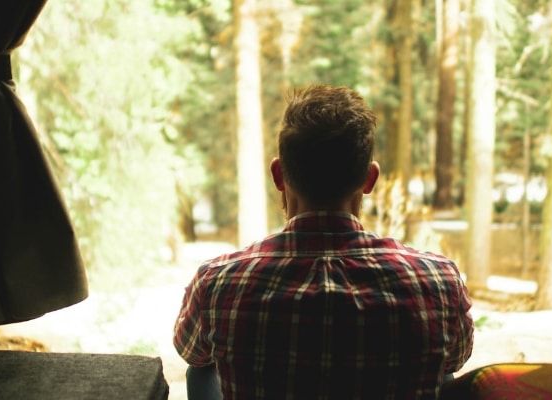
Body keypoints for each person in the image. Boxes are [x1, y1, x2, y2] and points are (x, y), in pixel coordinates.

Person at [173, 84, 474, 400]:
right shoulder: (438, 280)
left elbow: (190, 351)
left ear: (278, 175)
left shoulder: (218, 281)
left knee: (203, 366)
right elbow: (456, 357)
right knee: (440, 367)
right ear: (370, 179)